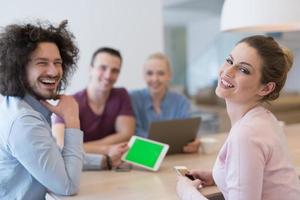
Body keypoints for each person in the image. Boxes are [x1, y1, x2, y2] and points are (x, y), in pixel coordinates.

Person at [176, 35, 300, 200]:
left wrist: (186, 192)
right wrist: (220, 176)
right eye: (229, 60)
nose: (227, 71)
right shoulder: (264, 118)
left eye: (243, 70)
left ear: (266, 88)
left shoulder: (246, 133)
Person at [0, 20, 84, 199]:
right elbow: (67, 186)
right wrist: (72, 120)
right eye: (42, 62)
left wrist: (104, 160)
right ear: (19, 68)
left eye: (58, 62)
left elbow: (51, 159)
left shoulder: (17, 103)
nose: (54, 72)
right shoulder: (24, 121)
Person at [52, 47, 135, 156]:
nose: (108, 75)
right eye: (103, 68)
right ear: (91, 69)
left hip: (112, 166)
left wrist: (82, 147)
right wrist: (106, 149)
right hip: (80, 168)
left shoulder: (121, 95)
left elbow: (126, 135)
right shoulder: (68, 104)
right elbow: (62, 145)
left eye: (115, 71)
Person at [130, 53, 200, 153]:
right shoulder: (133, 99)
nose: (155, 79)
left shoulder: (181, 102)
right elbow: (131, 133)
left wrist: (193, 142)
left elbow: (188, 133)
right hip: (144, 155)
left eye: (160, 73)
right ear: (143, 76)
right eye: (149, 73)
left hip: (175, 155)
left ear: (169, 75)